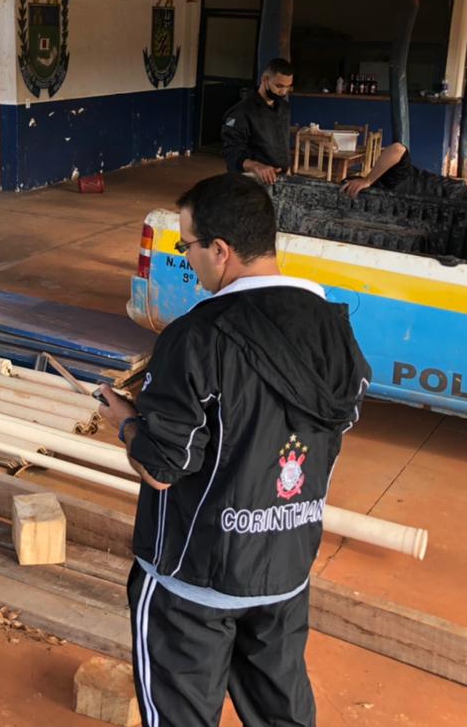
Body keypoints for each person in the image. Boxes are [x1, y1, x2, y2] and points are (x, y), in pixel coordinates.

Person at [96, 173, 370, 727]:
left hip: (193, 581)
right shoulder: (335, 327)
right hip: (283, 569)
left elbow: (162, 468)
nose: (187, 258)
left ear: (220, 250)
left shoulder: (197, 337)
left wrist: (126, 422)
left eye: (187, 246)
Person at [221, 58, 295, 186]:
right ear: (265, 80)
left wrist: (287, 168)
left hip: (279, 179)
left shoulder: (284, 108)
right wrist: (257, 166)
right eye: (279, 86)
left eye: (288, 87)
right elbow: (231, 153)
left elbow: (282, 142)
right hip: (251, 182)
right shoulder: (240, 112)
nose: (283, 92)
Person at [342, 141, 467, 201]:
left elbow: (398, 148)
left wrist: (368, 180)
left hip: (457, 194)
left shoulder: (392, 177)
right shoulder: (386, 191)